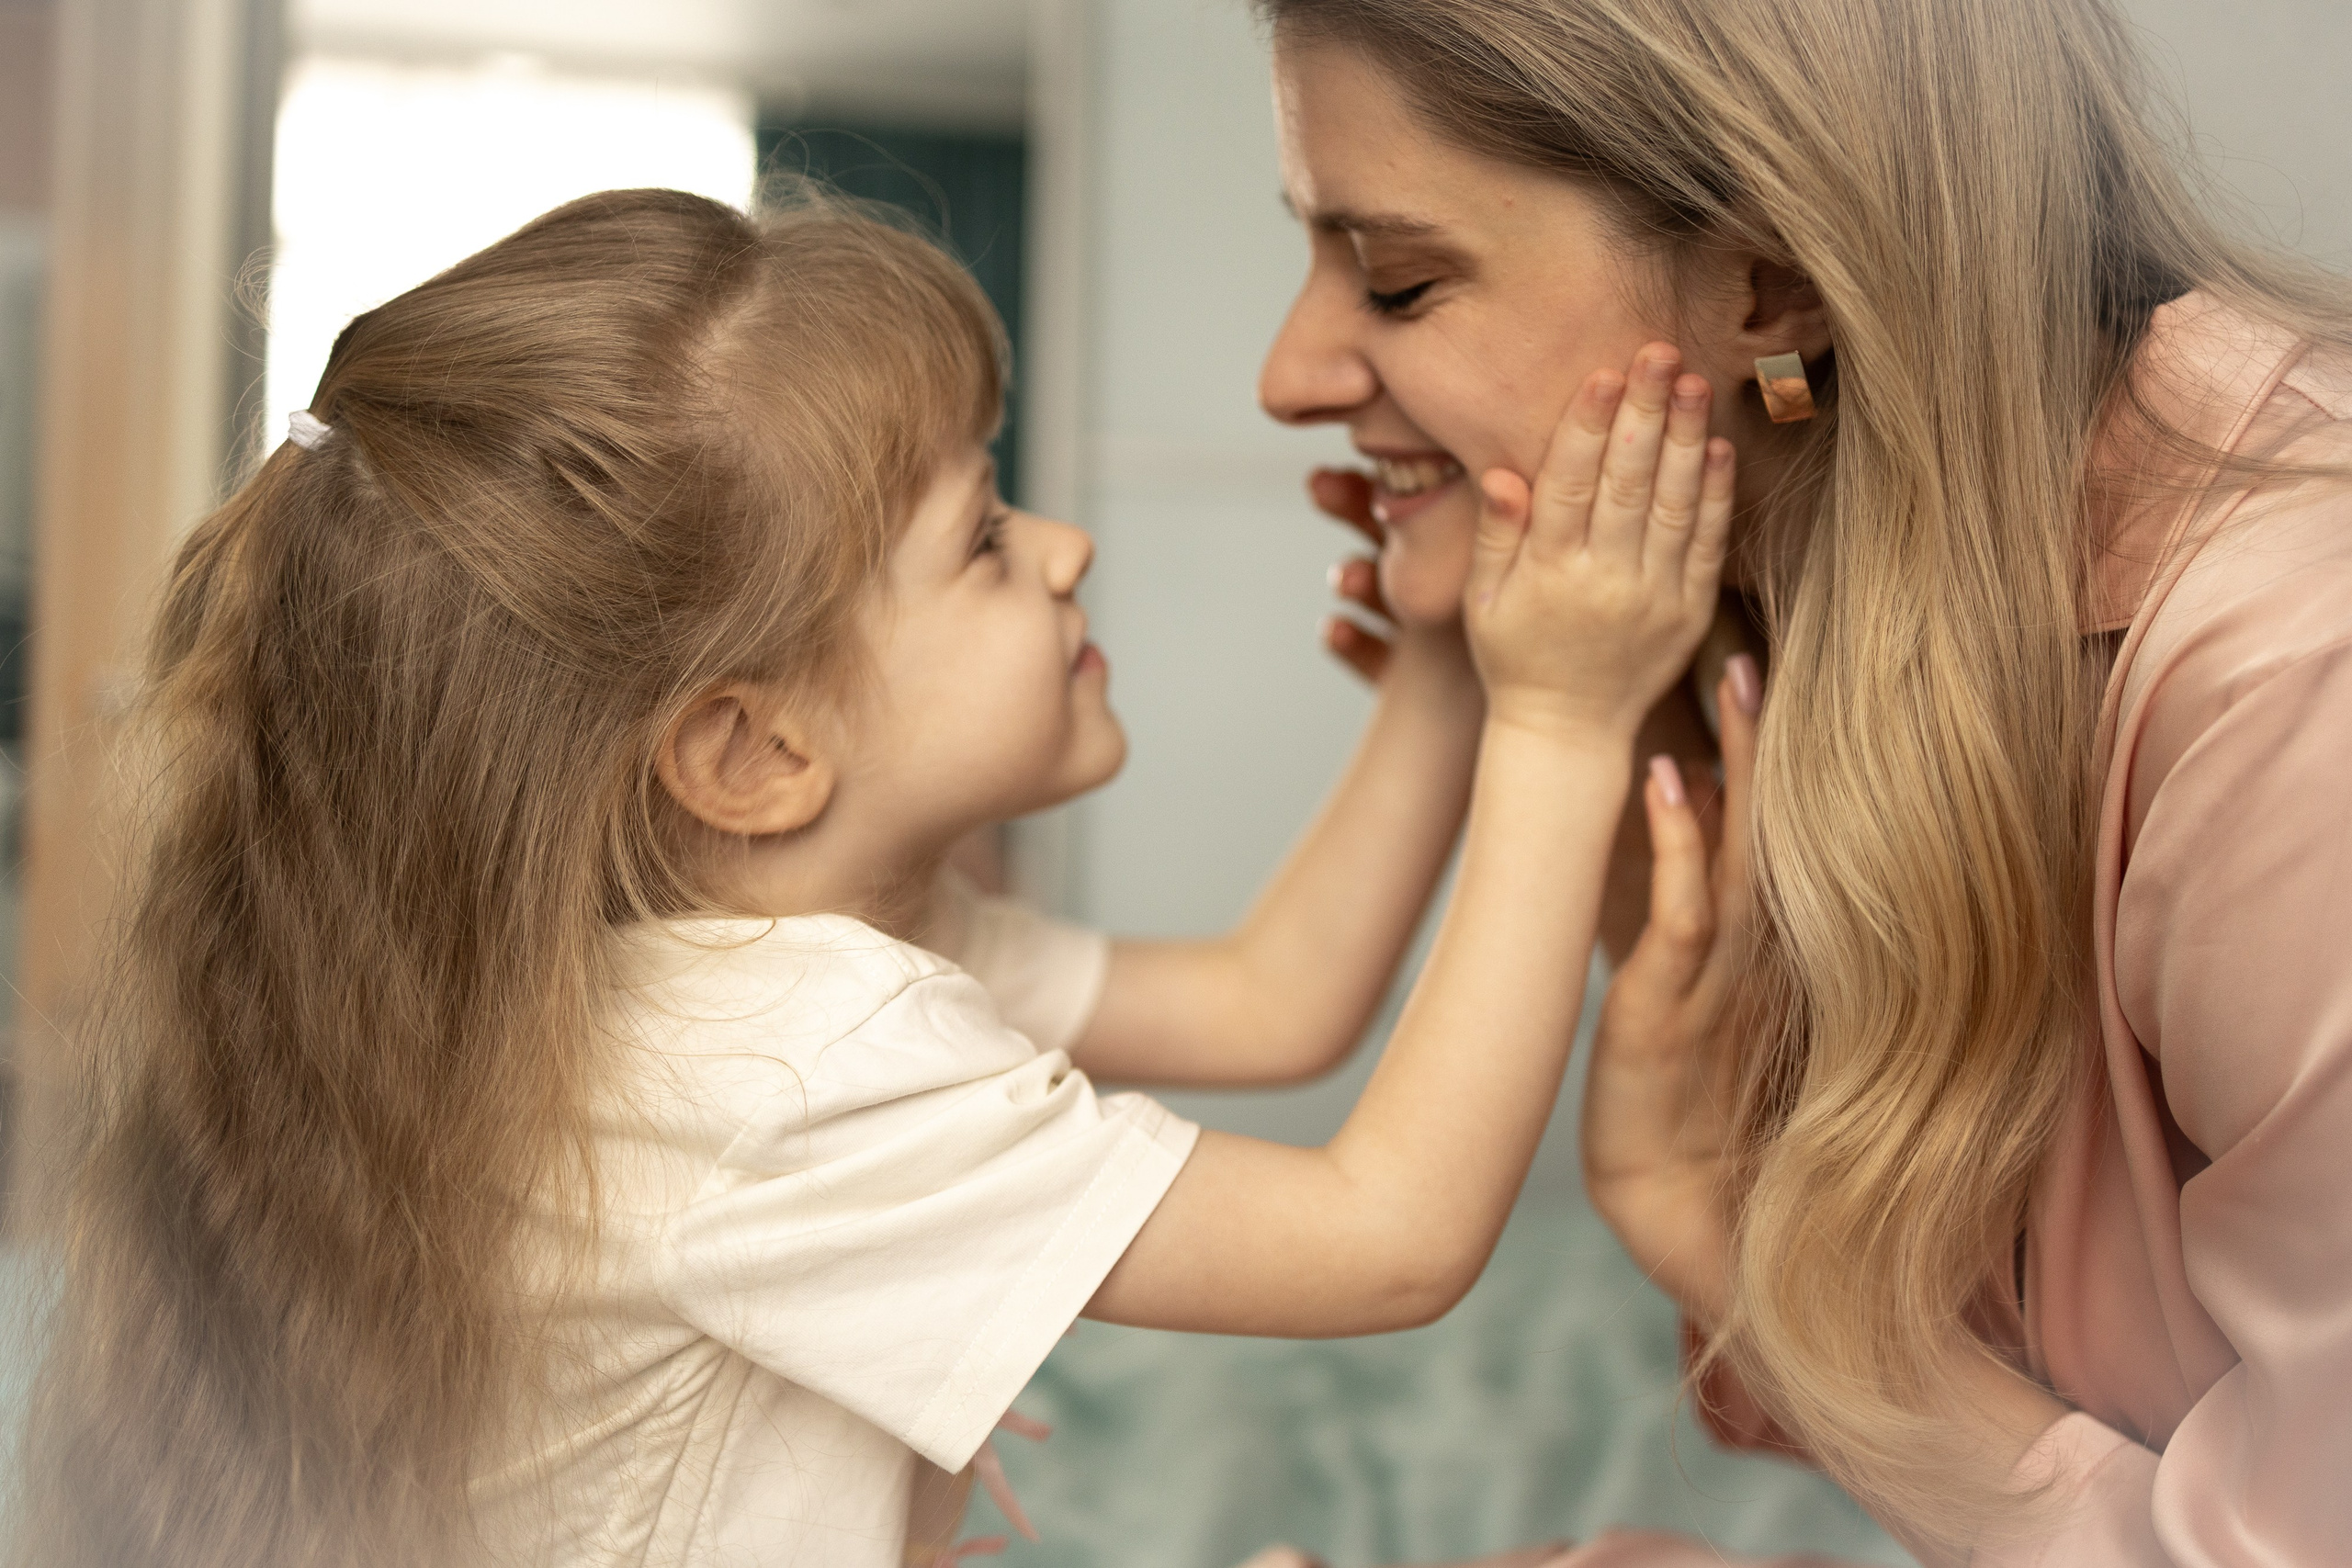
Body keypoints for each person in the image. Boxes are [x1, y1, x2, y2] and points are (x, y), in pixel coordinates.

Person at [10, 186, 1738, 1568]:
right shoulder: (788, 1061)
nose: (1064, 548)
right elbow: (1389, 1241)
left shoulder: (749, 950)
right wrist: (1563, 717)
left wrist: (1453, 652)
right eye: (981, 539)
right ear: (751, 751)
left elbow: (1273, 1004)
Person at [1251, 0, 2352, 1564]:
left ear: (1768, 287)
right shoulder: (1805, 642)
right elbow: (2036, 1430)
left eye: (1397, 279)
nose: (1288, 376)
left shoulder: (2297, 678)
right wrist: (1705, 1189)